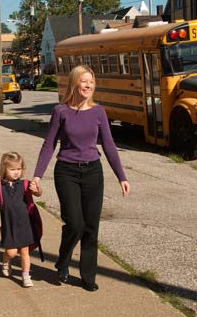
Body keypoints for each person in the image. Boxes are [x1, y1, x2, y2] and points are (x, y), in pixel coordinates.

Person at [30, 65, 130, 292]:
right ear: (74, 83)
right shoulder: (60, 111)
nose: (88, 86)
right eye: (84, 82)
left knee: (91, 227)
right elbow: (49, 144)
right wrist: (37, 175)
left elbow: (109, 145)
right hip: (66, 172)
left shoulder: (99, 112)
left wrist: (121, 176)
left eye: (91, 83)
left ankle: (88, 276)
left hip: (93, 172)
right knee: (75, 223)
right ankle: (63, 261)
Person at [0, 151, 42, 288]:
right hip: (9, 225)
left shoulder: (24, 184)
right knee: (11, 252)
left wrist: (37, 189)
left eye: (19, 169)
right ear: (4, 169)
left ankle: (25, 276)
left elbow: (38, 194)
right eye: (12, 169)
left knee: (25, 252)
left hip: (24, 225)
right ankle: (6, 260)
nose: (16, 172)